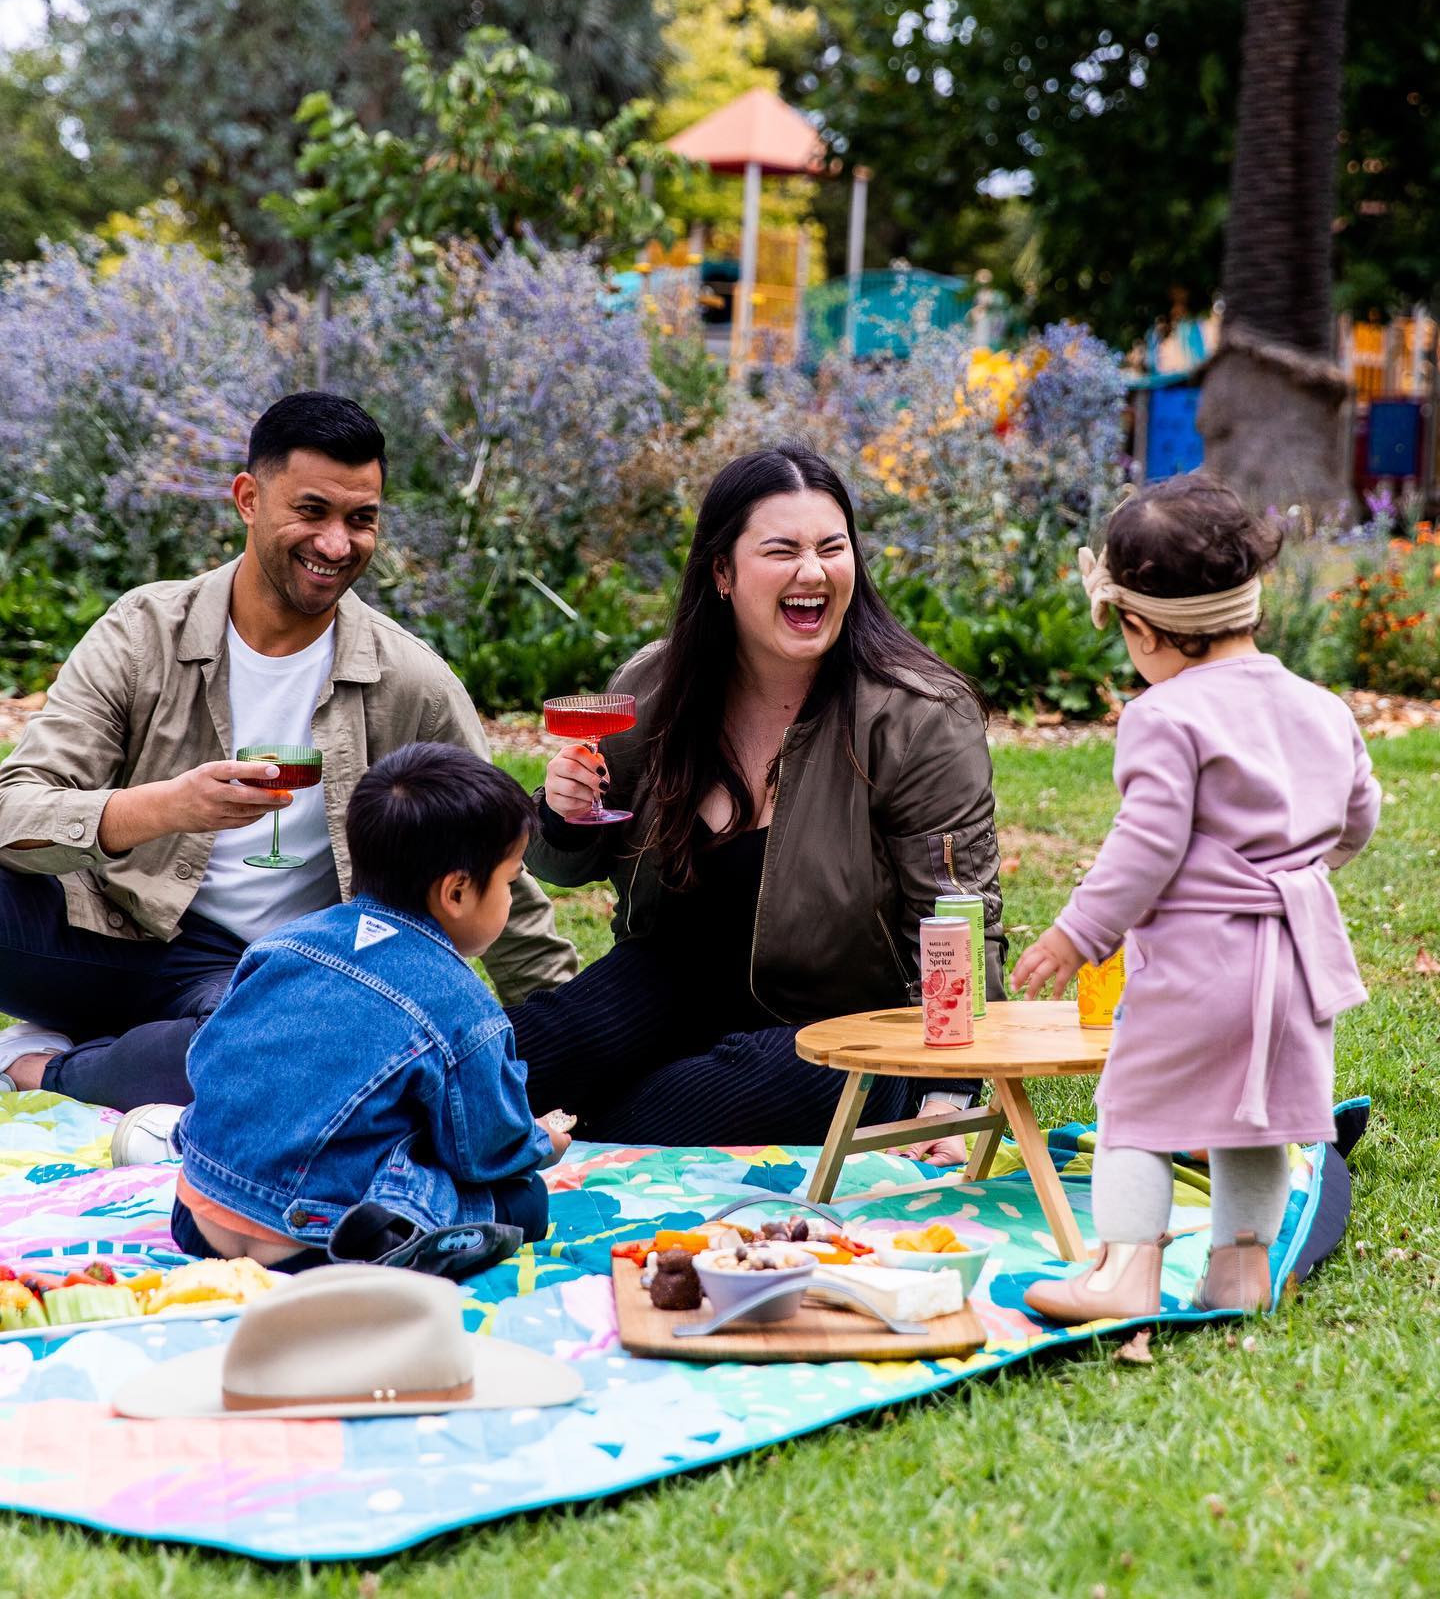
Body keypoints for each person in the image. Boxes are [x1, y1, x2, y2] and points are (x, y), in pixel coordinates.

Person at [0, 392, 575, 1121]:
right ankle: (139, 1052)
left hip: (262, 980)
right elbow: (15, 804)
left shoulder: (410, 682)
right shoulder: (144, 631)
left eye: (360, 519)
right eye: (312, 512)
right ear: (248, 498)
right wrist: (165, 808)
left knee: (280, 1056)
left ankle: (47, 1065)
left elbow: (499, 862)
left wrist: (559, 1041)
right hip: (110, 930)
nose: (337, 544)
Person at [512, 441, 1005, 1145]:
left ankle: (565, 1136)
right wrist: (563, 817)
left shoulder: (917, 715)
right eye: (782, 551)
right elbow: (565, 868)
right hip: (662, 985)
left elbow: (958, 917)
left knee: (738, 1087)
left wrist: (949, 1095)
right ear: (722, 571)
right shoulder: (654, 690)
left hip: (841, 1026)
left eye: (832, 548)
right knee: (529, 1048)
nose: (813, 571)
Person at [1016, 475, 1381, 1322]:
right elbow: (1358, 816)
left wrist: (1080, 932)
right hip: (1299, 959)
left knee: (1136, 1111)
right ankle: (1240, 1275)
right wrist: (1294, 872)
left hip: (1199, 961)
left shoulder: (1164, 716)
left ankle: (1122, 1275)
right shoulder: (1321, 707)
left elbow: (1146, 844)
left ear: (1142, 628)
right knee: (1260, 1118)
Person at [172, 744, 569, 1273]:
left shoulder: (281, 944)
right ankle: (400, 1239)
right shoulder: (462, 1007)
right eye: (510, 880)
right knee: (525, 1200)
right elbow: (486, 1152)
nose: (511, 897)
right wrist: (543, 1141)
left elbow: (208, 1056)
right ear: (456, 891)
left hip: (200, 1214)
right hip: (321, 1243)